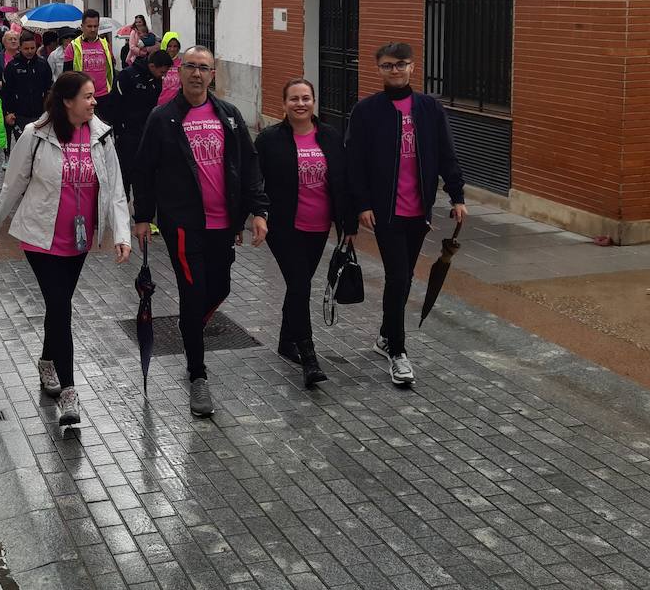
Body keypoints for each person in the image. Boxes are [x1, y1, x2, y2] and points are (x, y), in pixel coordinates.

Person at [0, 72, 132, 428]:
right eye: (88, 96)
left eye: (94, 96)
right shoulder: (36, 135)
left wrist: (121, 234)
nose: (95, 102)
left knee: (57, 306)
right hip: (40, 237)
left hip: (77, 240)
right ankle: (69, 391)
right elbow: (13, 182)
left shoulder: (101, 135)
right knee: (61, 306)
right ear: (67, 101)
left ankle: (48, 360)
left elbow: (115, 190)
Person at [132, 46, 269, 418]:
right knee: (192, 294)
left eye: (203, 68)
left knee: (220, 287)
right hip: (182, 223)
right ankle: (198, 375)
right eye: (190, 66)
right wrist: (142, 216)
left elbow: (249, 164)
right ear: (180, 72)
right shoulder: (163, 118)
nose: (196, 73)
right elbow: (144, 169)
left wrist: (257, 211)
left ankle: (189, 327)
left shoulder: (229, 116)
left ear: (213, 74)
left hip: (222, 223)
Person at [346, 41, 467, 388]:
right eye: (387, 65)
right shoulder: (366, 111)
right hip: (386, 212)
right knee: (398, 277)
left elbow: (447, 154)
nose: (395, 70)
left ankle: (385, 334)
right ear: (379, 69)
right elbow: (356, 163)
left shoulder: (429, 108)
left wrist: (457, 196)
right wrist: (362, 205)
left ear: (413, 67)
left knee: (405, 276)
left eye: (400, 64)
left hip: (419, 211)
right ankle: (398, 352)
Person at [255, 78, 352, 387]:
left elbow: (343, 182)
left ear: (314, 102)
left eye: (306, 98)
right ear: (284, 104)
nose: (300, 104)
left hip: (319, 225)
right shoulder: (270, 140)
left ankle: (286, 341)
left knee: (299, 285)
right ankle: (309, 357)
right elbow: (254, 181)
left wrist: (347, 225)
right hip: (283, 227)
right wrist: (255, 216)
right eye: (294, 99)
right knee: (299, 284)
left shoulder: (331, 137)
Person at [113, 48, 171, 194]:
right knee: (125, 171)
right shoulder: (127, 75)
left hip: (146, 132)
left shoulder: (156, 79)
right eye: (162, 72)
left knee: (144, 174)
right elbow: (115, 104)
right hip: (127, 133)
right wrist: (119, 130)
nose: (163, 76)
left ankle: (142, 210)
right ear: (152, 66)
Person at [1, 30, 54, 144]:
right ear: (20, 48)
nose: (30, 51)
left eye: (32, 48)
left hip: (41, 114)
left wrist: (50, 109)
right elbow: (6, 92)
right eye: (26, 49)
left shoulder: (43, 64)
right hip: (19, 115)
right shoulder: (12, 66)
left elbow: (50, 89)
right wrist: (7, 113)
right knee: (24, 148)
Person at [155, 32, 184, 106]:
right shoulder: (159, 62)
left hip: (176, 104)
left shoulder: (182, 64)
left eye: (175, 46)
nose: (172, 49)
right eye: (169, 46)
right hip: (160, 103)